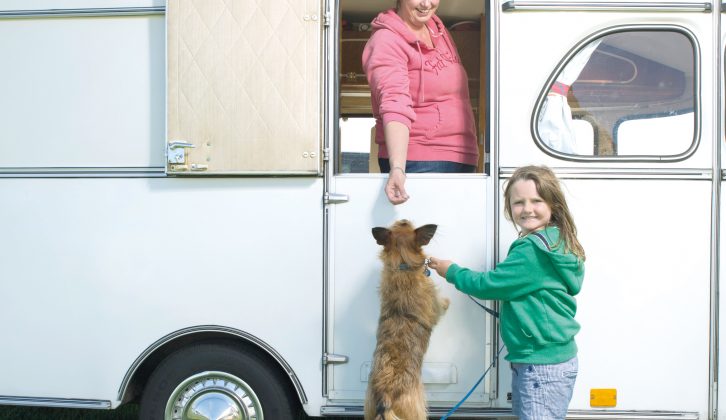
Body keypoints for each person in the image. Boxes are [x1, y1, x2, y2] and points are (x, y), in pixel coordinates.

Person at [429, 165, 585, 420]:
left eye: (536, 201)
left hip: (540, 364)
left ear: (553, 205)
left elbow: (489, 284)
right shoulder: (556, 240)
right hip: (549, 359)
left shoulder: (533, 250)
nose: (527, 209)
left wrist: (452, 271)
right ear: (509, 207)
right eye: (518, 202)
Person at [362, 0, 479, 205]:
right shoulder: (386, 40)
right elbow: (394, 103)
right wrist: (398, 168)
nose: (426, 4)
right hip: (420, 158)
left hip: (462, 155)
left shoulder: (437, 29)